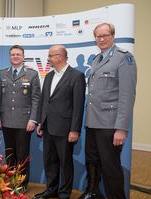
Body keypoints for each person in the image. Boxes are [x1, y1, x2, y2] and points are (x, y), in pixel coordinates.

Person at [79, 23, 137, 199]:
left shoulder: (124, 58)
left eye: (105, 35)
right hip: (92, 123)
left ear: (113, 36)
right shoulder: (97, 59)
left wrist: (121, 128)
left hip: (110, 125)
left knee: (110, 167)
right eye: (98, 36)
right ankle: (93, 193)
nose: (101, 39)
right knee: (93, 161)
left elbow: (127, 96)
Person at [33, 45, 86, 199]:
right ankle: (51, 190)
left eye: (50, 56)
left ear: (60, 56)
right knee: (50, 162)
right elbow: (44, 102)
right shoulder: (49, 76)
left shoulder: (76, 76)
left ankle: (64, 193)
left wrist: (75, 130)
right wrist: (40, 123)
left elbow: (78, 106)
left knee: (65, 163)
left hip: (65, 129)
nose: (48, 59)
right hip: (48, 127)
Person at [0, 45, 41, 190]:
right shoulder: (2, 73)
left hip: (24, 122)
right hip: (7, 121)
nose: (15, 57)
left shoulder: (32, 74)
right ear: (9, 57)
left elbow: (36, 99)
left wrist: (33, 119)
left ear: (23, 57)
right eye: (12, 54)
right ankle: (10, 183)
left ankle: (21, 185)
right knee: (9, 154)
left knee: (22, 156)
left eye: (18, 54)